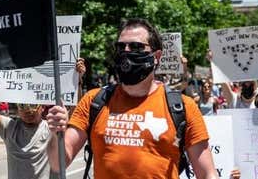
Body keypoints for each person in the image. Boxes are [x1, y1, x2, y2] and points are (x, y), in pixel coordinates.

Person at [46, 18, 217, 179]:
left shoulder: (183, 107)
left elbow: (207, 174)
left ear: (156, 57)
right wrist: (55, 134)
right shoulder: (94, 101)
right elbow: (58, 163)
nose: (126, 52)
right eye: (121, 47)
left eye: (136, 47)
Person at [0, 60, 86, 179]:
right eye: (22, 105)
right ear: (17, 109)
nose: (28, 110)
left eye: (33, 105)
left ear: (42, 107)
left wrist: (76, 80)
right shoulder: (9, 128)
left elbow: (75, 115)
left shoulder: (53, 128)